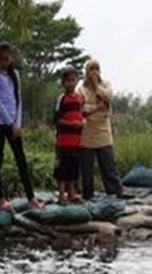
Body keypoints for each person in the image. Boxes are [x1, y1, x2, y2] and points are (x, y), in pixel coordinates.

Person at [0, 43, 45, 212]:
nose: (4, 62)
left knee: (21, 160)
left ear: (11, 58)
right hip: (0, 124)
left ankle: (31, 198)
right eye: (1, 59)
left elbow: (18, 99)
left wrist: (17, 124)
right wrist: (10, 123)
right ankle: (0, 198)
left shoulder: (15, 75)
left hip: (14, 124)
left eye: (7, 59)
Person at [77, 59, 133, 200]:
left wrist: (96, 86)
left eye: (97, 69)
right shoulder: (81, 89)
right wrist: (97, 107)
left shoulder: (106, 85)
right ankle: (87, 194)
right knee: (87, 168)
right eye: (91, 69)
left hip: (103, 131)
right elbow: (81, 109)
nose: (94, 72)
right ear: (86, 72)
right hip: (87, 133)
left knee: (109, 164)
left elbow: (108, 97)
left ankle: (116, 191)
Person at [53, 67, 85, 204]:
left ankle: (71, 193)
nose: (71, 83)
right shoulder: (62, 99)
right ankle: (61, 195)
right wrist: (72, 124)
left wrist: (82, 122)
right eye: (68, 81)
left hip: (76, 141)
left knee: (73, 168)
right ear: (63, 83)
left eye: (73, 80)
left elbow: (82, 114)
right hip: (64, 141)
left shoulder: (79, 98)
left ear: (77, 81)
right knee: (63, 169)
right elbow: (57, 120)